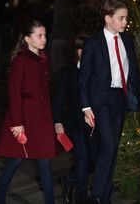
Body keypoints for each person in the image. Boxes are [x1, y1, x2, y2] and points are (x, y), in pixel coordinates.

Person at [79, 0, 140, 204]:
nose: (125, 22)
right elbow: (83, 78)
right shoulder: (92, 43)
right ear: (108, 18)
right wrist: (86, 106)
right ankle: (97, 195)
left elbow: (134, 70)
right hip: (100, 101)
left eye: (126, 18)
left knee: (114, 148)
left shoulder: (127, 39)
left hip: (120, 99)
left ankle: (104, 196)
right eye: (121, 18)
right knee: (108, 145)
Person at [0, 20, 58, 204]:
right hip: (24, 118)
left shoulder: (44, 59)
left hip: (42, 119)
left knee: (45, 160)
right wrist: (17, 123)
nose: (44, 39)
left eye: (45, 35)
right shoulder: (21, 61)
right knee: (14, 161)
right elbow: (14, 94)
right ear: (28, 39)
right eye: (39, 35)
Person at [53, 34, 95, 204]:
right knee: (83, 160)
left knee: (91, 160)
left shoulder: (97, 72)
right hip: (76, 125)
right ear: (80, 52)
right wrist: (58, 122)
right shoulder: (69, 73)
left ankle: (69, 180)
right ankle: (82, 199)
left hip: (94, 126)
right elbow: (60, 99)